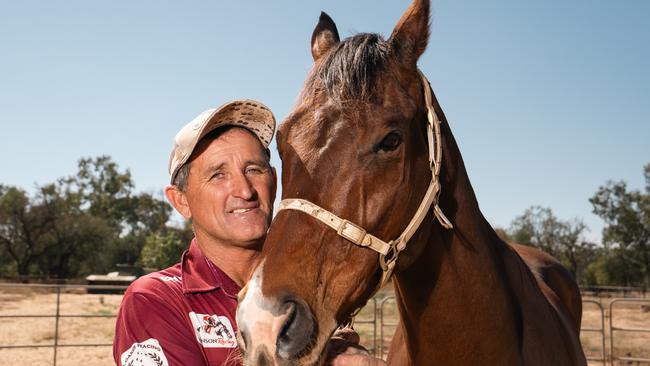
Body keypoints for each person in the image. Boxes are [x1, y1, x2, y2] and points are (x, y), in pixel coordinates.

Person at [113, 99, 384, 366]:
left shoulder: (309, 288)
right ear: (181, 200)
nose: (245, 190)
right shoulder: (154, 300)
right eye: (218, 175)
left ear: (275, 183)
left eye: (254, 170)